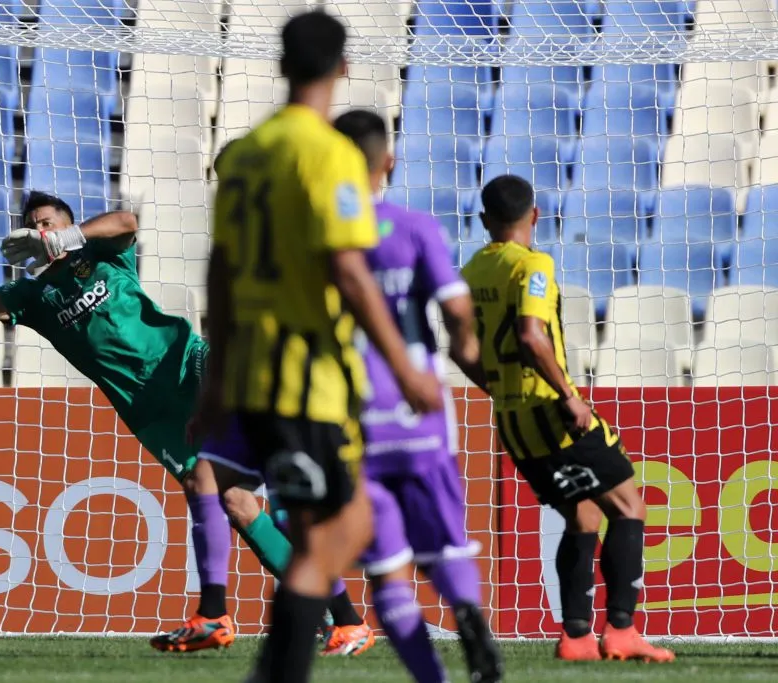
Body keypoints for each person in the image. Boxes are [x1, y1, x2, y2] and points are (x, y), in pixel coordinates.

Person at [0, 190, 368, 655]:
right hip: (148, 413)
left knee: (271, 474)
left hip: (188, 366)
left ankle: (299, 611)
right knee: (235, 503)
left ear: (66, 225)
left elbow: (126, 220)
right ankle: (333, 618)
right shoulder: (32, 297)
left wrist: (67, 237)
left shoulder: (101, 255)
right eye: (34, 225)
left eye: (48, 222)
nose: (40, 231)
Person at [194, 10, 442, 683]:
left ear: (280, 64)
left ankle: (286, 663)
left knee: (322, 530)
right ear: (344, 68)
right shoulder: (330, 153)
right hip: (308, 380)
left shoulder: (242, 157)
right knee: (330, 534)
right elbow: (350, 270)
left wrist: (216, 378)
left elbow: (219, 268)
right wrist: (404, 366)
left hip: (249, 375)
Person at [458, 175, 675, 664]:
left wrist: (495, 385)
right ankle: (621, 629)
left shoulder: (472, 270)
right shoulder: (534, 264)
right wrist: (569, 396)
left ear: (484, 221)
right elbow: (532, 335)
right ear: (535, 215)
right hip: (551, 412)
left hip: (511, 420)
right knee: (629, 507)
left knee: (582, 514)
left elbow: (460, 345)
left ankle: (577, 637)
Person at [332, 109, 504, 683]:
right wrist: (464, 356)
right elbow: (457, 311)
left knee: (386, 570)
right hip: (418, 405)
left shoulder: (313, 237)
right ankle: (470, 616)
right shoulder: (414, 227)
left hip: (348, 414)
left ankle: (432, 678)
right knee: (447, 542)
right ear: (389, 162)